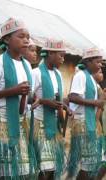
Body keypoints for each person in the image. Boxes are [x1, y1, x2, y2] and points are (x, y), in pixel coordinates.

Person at [0, 18, 35, 179]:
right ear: (7, 39)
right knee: (2, 173)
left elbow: (24, 97)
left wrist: (24, 97)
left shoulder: (27, 65)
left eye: (28, 36)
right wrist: (13, 90)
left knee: (21, 172)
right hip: (0, 124)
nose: (26, 40)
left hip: (19, 124)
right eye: (21, 36)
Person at [31, 39, 72, 180]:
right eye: (60, 55)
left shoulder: (58, 75)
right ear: (50, 53)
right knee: (43, 167)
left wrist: (65, 106)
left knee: (53, 166)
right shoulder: (36, 73)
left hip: (54, 125)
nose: (63, 59)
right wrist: (43, 101)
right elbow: (28, 98)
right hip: (40, 123)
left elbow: (58, 99)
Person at [66, 48, 105, 179]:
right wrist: (96, 103)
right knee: (88, 163)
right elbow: (73, 97)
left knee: (90, 162)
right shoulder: (81, 76)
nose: (101, 65)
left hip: (89, 123)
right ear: (88, 61)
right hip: (82, 123)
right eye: (98, 62)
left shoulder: (91, 80)